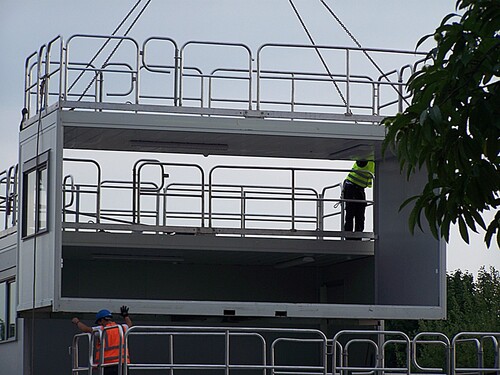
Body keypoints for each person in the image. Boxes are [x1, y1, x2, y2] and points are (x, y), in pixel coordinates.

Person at [72, 306, 132, 375]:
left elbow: (86, 329)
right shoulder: (121, 328)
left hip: (108, 365)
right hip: (122, 364)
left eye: (99, 322)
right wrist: (126, 316)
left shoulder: (102, 330)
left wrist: (77, 322)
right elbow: (129, 325)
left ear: (102, 320)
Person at [343, 160, 375, 237]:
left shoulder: (373, 161)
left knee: (359, 214)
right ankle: (349, 236)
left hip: (359, 188)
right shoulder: (365, 158)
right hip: (352, 186)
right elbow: (361, 163)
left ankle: (357, 236)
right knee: (351, 213)